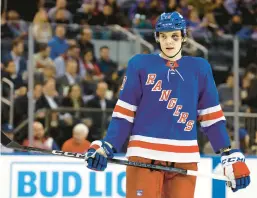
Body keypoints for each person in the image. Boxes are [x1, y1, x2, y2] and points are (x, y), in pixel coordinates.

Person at [84, 12, 250, 198]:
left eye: (174, 36)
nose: (169, 42)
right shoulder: (140, 64)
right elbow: (124, 113)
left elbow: (211, 117)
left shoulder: (200, 68)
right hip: (144, 157)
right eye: (163, 36)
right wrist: (107, 145)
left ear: (184, 37)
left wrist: (228, 154)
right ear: (157, 37)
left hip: (184, 161)